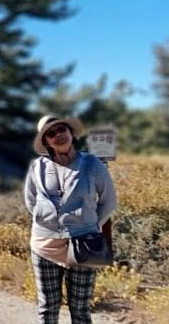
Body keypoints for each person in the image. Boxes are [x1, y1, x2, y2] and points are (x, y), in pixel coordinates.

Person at [24, 115, 117, 324]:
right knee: (47, 308)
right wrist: (47, 221)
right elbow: (31, 200)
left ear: (70, 132)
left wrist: (91, 225)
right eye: (51, 133)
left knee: (81, 311)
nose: (58, 135)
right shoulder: (37, 167)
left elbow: (108, 201)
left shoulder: (92, 163)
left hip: (85, 244)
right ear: (46, 141)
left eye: (61, 129)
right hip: (44, 245)